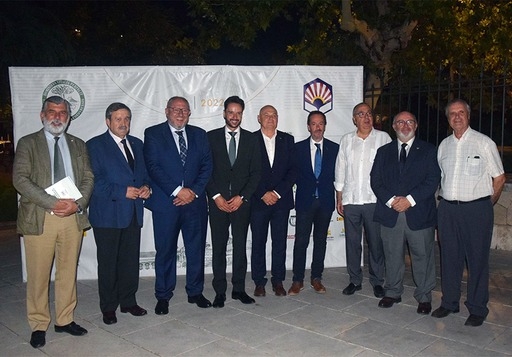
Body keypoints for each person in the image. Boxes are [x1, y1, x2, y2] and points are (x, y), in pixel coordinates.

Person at [12, 96, 94, 348]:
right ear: (42, 115)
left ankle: (64, 319)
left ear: (68, 117)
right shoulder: (28, 143)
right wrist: (52, 203)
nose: (57, 116)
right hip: (41, 217)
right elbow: (20, 179)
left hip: (72, 217)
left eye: (62, 112)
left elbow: (88, 178)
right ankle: (38, 324)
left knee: (68, 271)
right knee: (38, 275)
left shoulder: (78, 144)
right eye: (52, 111)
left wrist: (77, 204)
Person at [432, 99, 505, 327]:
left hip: (476, 210)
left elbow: (499, 178)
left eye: (461, 112)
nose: (457, 117)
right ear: (448, 119)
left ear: (468, 116)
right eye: (452, 114)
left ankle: (477, 307)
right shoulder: (443, 146)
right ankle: (450, 302)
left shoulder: (484, 143)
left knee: (477, 260)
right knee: (449, 258)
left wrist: (485, 203)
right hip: (448, 210)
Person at [144, 96, 213, 314]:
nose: (180, 113)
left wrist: (192, 192)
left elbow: (207, 166)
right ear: (167, 111)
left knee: (196, 250)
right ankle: (163, 295)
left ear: (190, 113)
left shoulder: (200, 135)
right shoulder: (153, 134)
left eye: (184, 110)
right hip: (166, 203)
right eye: (176, 109)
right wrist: (177, 191)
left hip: (195, 204)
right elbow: (153, 167)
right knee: (165, 251)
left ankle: (195, 292)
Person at [86, 103, 151, 325]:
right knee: (108, 263)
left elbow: (144, 175)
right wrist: (122, 191)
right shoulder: (95, 146)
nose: (123, 123)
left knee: (129, 261)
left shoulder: (137, 144)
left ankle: (128, 301)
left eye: (126, 119)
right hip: (107, 215)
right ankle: (108, 307)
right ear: (107, 121)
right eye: (118, 119)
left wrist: (146, 188)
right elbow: (93, 181)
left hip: (132, 213)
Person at [370, 111, 440, 314]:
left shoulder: (428, 150)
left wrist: (409, 201)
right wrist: (393, 201)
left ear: (416, 125)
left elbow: (432, 180)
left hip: (418, 213)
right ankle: (392, 291)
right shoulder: (383, 152)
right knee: (392, 255)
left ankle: (424, 295)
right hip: (390, 213)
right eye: (400, 122)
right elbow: (376, 181)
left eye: (410, 121)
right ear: (393, 127)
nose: (405, 125)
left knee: (423, 255)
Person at [207, 95, 261, 308]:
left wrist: (243, 197)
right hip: (217, 203)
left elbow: (256, 173)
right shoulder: (210, 138)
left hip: (241, 204)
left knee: (240, 248)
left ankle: (238, 289)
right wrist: (216, 196)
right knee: (218, 248)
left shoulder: (251, 139)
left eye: (238, 113)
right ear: (224, 114)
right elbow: (205, 171)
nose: (234, 116)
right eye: (231, 112)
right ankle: (219, 291)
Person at [334, 103, 391, 298]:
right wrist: (339, 196)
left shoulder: (384, 139)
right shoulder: (347, 140)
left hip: (374, 200)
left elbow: (389, 170)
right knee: (352, 242)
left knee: (376, 243)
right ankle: (354, 280)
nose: (366, 117)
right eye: (361, 114)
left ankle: (377, 281)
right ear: (354, 119)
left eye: (368, 114)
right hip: (351, 200)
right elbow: (340, 168)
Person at [288, 110, 339, 295]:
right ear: (308, 127)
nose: (317, 127)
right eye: (314, 124)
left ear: (325, 126)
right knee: (301, 241)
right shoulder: (298, 148)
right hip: (304, 202)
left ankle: (316, 278)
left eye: (321, 123)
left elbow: (339, 175)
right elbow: (291, 174)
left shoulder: (335, 148)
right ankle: (297, 280)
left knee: (320, 241)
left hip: (325, 202)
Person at [250, 105, 296, 297]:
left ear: (278, 118)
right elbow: (246, 171)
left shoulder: (287, 139)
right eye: (266, 115)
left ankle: (278, 281)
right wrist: (263, 193)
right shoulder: (250, 139)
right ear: (258, 118)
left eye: (274, 115)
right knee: (258, 242)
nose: (270, 118)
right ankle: (259, 282)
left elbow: (293, 171)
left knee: (279, 243)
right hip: (257, 201)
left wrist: (276, 193)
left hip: (281, 201)